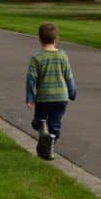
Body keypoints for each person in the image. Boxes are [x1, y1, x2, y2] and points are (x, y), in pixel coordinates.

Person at [26, 22, 77, 160]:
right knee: (55, 123)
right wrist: (72, 93)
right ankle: (50, 149)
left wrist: (30, 98)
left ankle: (42, 127)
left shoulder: (37, 57)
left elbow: (31, 80)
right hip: (61, 98)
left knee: (38, 120)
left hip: (44, 98)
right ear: (56, 39)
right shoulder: (62, 56)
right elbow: (69, 76)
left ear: (40, 39)